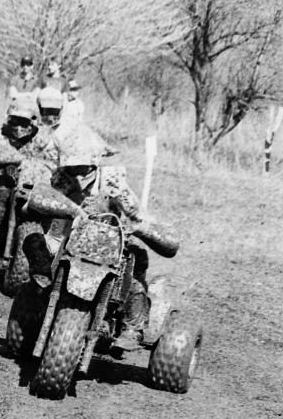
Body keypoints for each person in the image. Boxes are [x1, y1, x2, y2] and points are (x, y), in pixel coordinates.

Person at [21, 124, 182, 351]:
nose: (75, 172)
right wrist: (49, 206)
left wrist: (141, 227)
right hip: (66, 235)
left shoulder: (112, 181)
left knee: (134, 266)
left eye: (81, 166)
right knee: (34, 241)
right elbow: (34, 203)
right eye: (71, 166)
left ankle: (132, 327)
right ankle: (43, 286)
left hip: (108, 241)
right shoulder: (61, 179)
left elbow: (136, 213)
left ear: (94, 161)